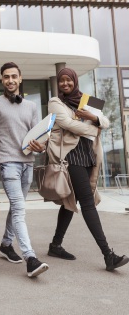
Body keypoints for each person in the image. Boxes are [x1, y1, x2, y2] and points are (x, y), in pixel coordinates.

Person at [46, 67, 129, 271]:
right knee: (87, 203)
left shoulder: (88, 99)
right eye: (62, 81)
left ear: (75, 80)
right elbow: (68, 124)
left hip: (89, 156)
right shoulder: (55, 102)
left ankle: (55, 245)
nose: (65, 84)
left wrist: (92, 117)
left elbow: (107, 121)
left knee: (70, 202)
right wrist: (94, 127)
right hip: (71, 158)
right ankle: (108, 255)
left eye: (69, 80)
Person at [0, 62, 49, 278]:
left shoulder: (31, 106)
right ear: (2, 80)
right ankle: (30, 258)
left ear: (20, 78)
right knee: (20, 209)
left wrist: (42, 146)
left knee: (16, 208)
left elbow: (38, 134)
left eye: (14, 76)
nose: (10, 80)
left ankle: (5, 244)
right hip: (8, 163)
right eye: (6, 77)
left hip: (27, 163)